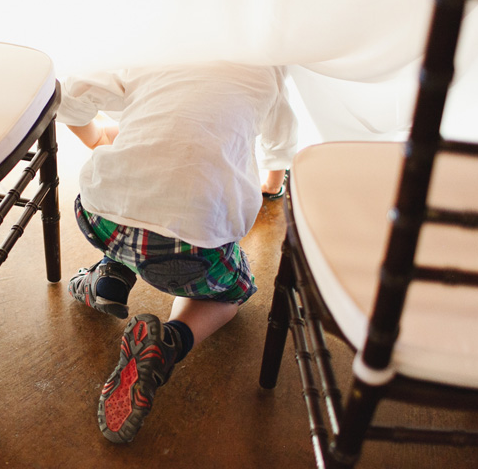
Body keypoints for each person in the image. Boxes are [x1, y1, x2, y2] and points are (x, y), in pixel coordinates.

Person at [58, 62, 298, 443]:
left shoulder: (156, 50)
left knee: (136, 207)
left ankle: (110, 279)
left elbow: (69, 94)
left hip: (100, 215)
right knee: (231, 293)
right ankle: (169, 342)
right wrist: (271, 187)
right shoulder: (266, 73)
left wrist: (99, 141)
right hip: (186, 249)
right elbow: (278, 152)